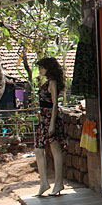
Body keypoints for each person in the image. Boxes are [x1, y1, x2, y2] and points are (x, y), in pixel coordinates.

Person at [34, 57, 66, 197]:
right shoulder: (47, 82)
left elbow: (54, 104)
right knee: (39, 149)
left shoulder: (52, 82)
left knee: (54, 149)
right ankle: (44, 183)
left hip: (50, 118)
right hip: (44, 118)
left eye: (42, 67)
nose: (40, 70)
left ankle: (58, 182)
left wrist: (52, 123)